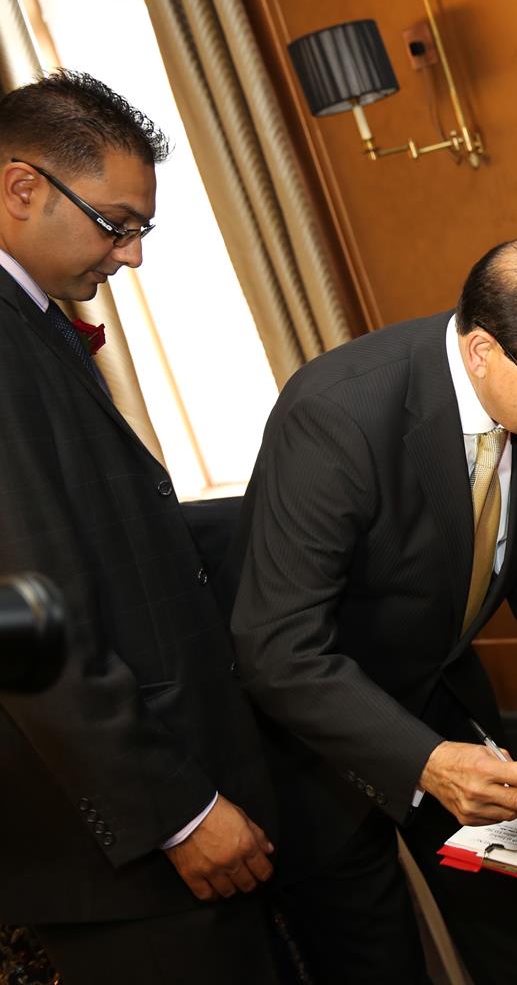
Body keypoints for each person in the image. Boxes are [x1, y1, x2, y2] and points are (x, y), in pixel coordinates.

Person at [230, 232, 517, 984]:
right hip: (319, 733)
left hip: (439, 698)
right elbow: (276, 646)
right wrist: (424, 761)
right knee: (375, 958)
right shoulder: (337, 414)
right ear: (481, 352)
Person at [0, 71, 278, 984]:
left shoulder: (32, 319)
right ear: (21, 187)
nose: (131, 258)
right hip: (120, 844)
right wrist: (179, 812)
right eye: (117, 225)